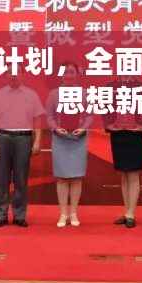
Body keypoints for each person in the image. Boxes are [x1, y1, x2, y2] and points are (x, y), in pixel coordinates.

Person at [0, 72, 44, 228]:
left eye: (17, 72)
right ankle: (1, 215)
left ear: (22, 75)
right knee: (2, 179)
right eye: (10, 73)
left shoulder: (31, 95)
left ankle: (19, 215)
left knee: (21, 179)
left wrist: (37, 141)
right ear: (6, 76)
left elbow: (38, 120)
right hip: (2, 137)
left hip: (24, 138)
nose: (13, 76)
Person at [46, 62, 92, 228]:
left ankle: (73, 213)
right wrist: (56, 128)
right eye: (65, 72)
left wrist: (83, 128)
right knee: (62, 178)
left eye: (72, 72)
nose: (68, 75)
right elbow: (49, 116)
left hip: (79, 139)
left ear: (77, 75)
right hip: (60, 139)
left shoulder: (85, 93)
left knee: (76, 178)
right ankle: (63, 213)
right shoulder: (54, 94)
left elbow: (89, 115)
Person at [105, 76, 142, 229]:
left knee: (133, 174)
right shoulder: (111, 86)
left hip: (134, 135)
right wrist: (109, 125)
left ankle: (131, 213)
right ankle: (127, 212)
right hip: (118, 135)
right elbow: (104, 107)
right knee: (123, 175)